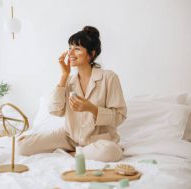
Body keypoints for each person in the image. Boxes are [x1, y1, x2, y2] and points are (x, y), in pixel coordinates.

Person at [17, 26, 127, 162]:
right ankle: (80, 152)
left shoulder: (109, 77)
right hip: (70, 137)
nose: (70, 53)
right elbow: (55, 110)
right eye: (70, 48)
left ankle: (74, 154)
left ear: (91, 54)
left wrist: (91, 109)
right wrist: (64, 75)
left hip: (97, 140)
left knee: (111, 151)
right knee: (22, 146)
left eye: (77, 49)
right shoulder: (69, 80)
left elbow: (119, 117)